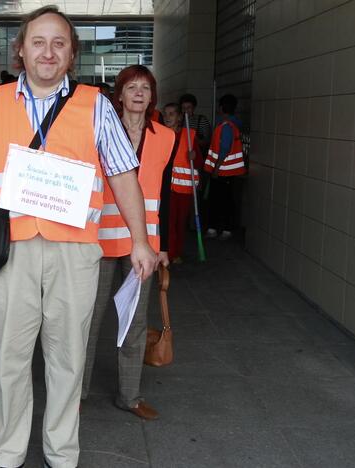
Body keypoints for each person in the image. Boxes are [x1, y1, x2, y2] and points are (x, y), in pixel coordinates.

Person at [0, 6, 157, 468]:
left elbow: (125, 175)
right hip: (14, 246)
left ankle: (61, 452)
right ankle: (6, 451)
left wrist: (141, 240)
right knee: (10, 355)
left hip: (74, 249)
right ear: (21, 51)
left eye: (59, 43)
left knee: (67, 358)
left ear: (71, 54)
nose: (48, 52)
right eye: (38, 42)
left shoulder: (96, 105)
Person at [81, 65, 171, 421]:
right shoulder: (98, 130)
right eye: (131, 87)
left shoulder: (166, 136)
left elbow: (164, 194)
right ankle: (78, 393)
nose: (138, 93)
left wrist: (161, 245)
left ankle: (130, 396)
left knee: (134, 323)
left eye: (145, 88)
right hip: (99, 238)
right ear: (118, 95)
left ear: (152, 97)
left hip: (141, 245)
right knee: (88, 320)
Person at [204, 93, 245, 240]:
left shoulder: (225, 126)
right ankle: (225, 228)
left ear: (221, 108)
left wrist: (216, 169)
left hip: (222, 171)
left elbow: (224, 149)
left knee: (217, 201)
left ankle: (216, 228)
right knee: (227, 200)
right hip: (230, 172)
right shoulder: (235, 125)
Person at [163, 102, 200, 263]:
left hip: (184, 189)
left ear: (179, 117)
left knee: (180, 222)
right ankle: (169, 253)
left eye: (171, 114)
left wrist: (194, 156)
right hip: (165, 187)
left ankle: (177, 252)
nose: (167, 117)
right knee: (167, 221)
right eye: (165, 114)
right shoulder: (160, 134)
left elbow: (199, 161)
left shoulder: (190, 136)